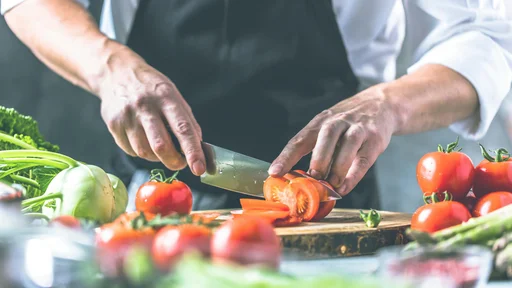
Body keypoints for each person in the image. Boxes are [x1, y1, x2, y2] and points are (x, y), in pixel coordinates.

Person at [2, 0, 512, 211]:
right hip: (155, 207)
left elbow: (487, 32)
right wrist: (108, 64)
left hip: (330, 212)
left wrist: (388, 104)